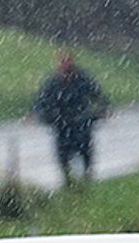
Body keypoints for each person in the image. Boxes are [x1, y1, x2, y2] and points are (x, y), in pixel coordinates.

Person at [33, 50, 110, 187]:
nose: (65, 66)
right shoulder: (53, 82)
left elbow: (96, 93)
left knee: (85, 152)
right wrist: (40, 114)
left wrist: (103, 109)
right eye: (62, 62)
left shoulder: (82, 79)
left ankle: (87, 179)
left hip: (80, 122)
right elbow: (42, 101)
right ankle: (68, 181)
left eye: (67, 62)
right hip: (61, 123)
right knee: (62, 155)